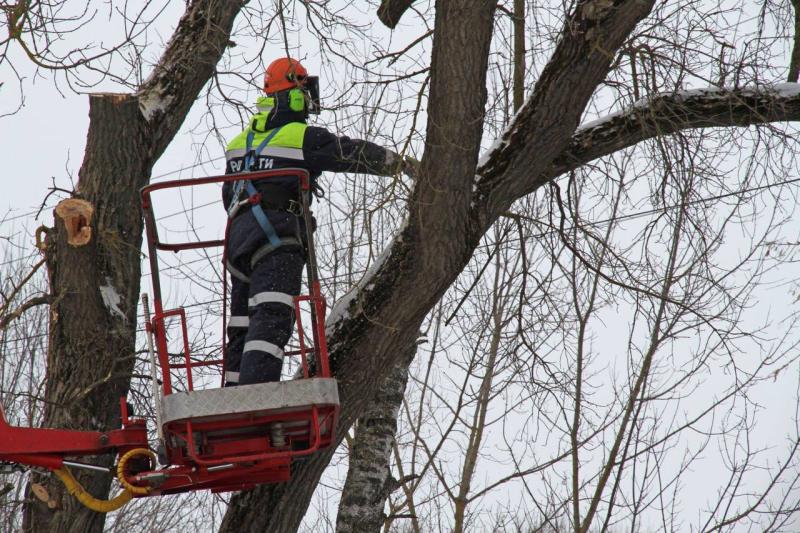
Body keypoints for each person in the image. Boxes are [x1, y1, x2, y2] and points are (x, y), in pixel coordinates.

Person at [222, 57, 411, 387]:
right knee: (271, 314)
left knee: (241, 324)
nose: (309, 104)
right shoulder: (301, 137)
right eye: (305, 94)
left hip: (237, 240)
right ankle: (255, 395)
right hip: (275, 237)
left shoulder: (239, 143)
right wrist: (398, 163)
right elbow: (348, 152)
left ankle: (231, 394)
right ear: (295, 95)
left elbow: (228, 196)